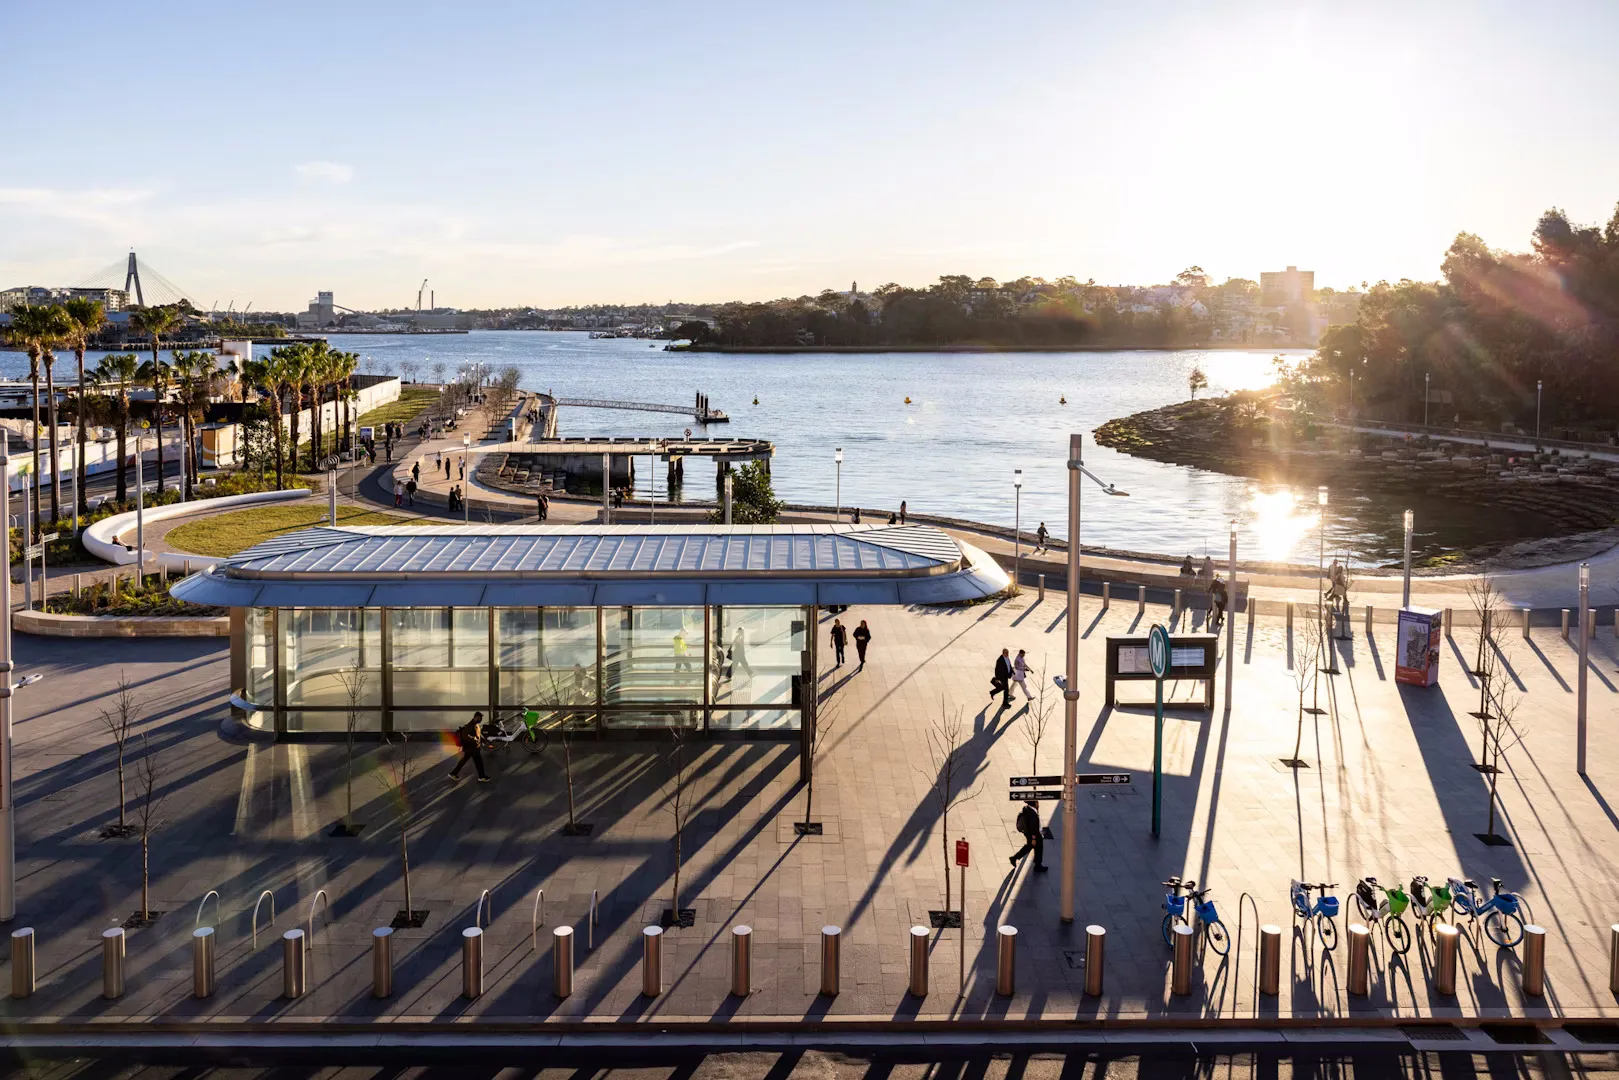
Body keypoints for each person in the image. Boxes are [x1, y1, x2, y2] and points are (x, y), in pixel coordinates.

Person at [450, 712, 491, 783]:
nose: (480, 719)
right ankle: (482, 777)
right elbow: (464, 735)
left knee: (464, 760)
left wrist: (483, 739)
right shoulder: (470, 725)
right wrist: (474, 738)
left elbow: (478, 733)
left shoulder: (476, 725)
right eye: (479, 718)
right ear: (475, 717)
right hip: (473, 748)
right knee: (479, 762)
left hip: (472, 748)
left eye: (481, 718)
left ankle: (453, 773)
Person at [1010, 799, 1046, 871]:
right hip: (1034, 835)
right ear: (1034, 804)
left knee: (1029, 847)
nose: (1038, 804)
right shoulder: (1032, 813)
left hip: (1030, 834)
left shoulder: (1028, 809)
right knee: (1038, 847)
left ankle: (1015, 858)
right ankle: (1037, 865)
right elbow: (1033, 827)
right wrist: (1033, 838)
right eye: (1037, 802)